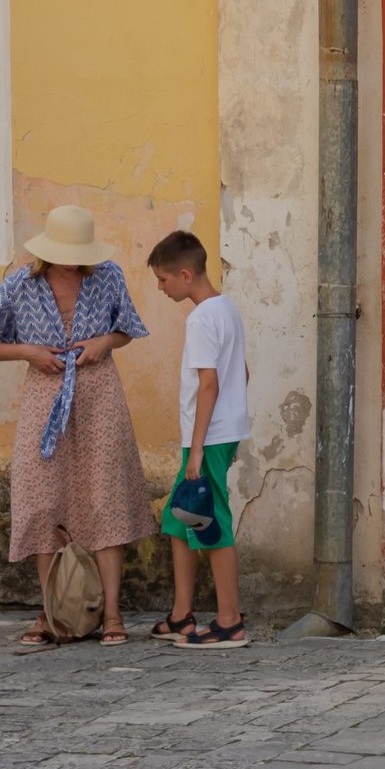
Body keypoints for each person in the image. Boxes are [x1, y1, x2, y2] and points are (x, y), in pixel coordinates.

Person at [0, 205, 152, 647]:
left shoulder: (108, 276)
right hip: (45, 398)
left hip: (99, 395)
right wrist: (28, 352)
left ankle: (111, 613)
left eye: (79, 251)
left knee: (104, 500)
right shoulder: (20, 284)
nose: (72, 260)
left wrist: (106, 341)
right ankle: (50, 614)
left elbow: (126, 329)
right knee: (41, 501)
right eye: (65, 251)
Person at [146, 231, 252, 648]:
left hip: (206, 438)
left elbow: (208, 384)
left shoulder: (201, 318)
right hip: (219, 434)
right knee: (178, 517)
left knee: (212, 524)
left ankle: (229, 622)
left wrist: (198, 447)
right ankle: (181, 615)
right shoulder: (227, 310)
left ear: (185, 275)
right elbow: (241, 374)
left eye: (163, 279)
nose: (161, 287)